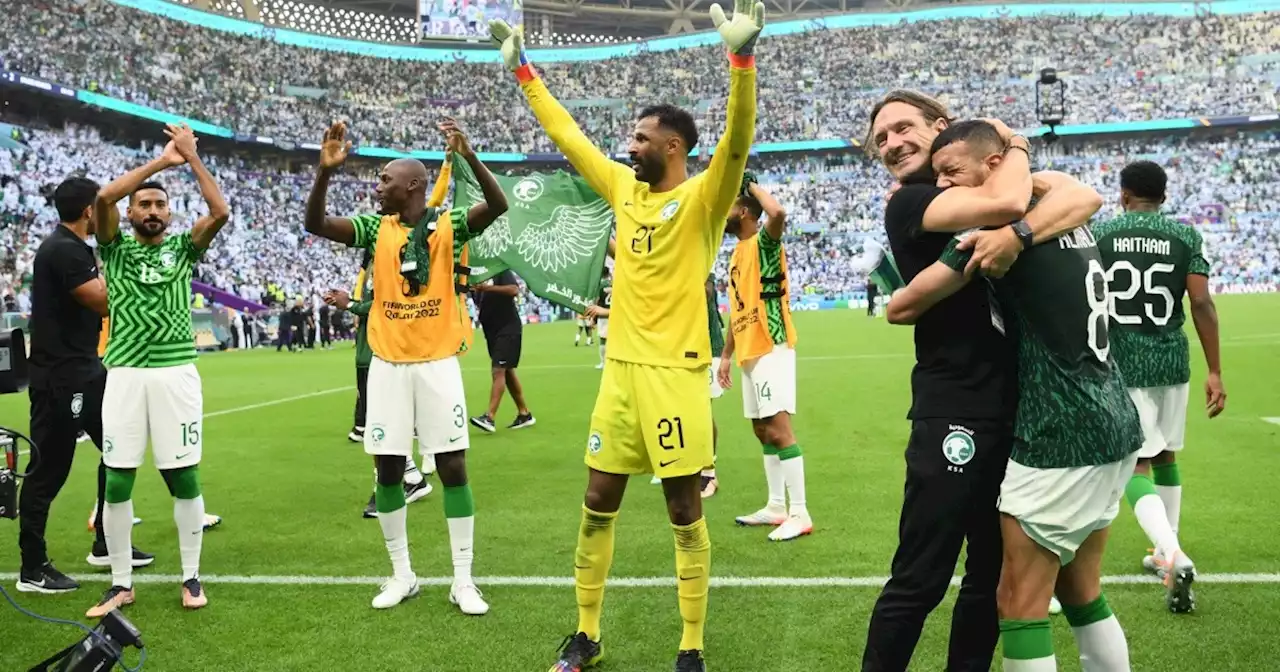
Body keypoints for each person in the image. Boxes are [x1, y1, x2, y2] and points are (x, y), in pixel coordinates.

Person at [490, 3, 761, 668]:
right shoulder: (622, 190)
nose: (627, 146)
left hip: (676, 374)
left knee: (682, 505)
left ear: (673, 147)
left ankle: (691, 645)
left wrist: (741, 64)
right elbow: (568, 136)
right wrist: (523, 70)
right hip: (620, 373)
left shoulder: (702, 198)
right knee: (597, 498)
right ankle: (587, 633)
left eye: (641, 138)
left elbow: (737, 142)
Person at [886, 119, 1138, 671]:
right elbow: (1087, 194)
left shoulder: (991, 235)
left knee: (1018, 604)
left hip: (1059, 429)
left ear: (995, 166)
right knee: (1082, 593)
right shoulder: (1058, 201)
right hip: (1116, 417)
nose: (945, 186)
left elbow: (900, 307)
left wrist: (1006, 231)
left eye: (952, 172)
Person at [305, 118, 506, 613]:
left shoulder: (448, 224)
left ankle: (463, 580)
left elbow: (499, 206)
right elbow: (316, 225)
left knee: (454, 466)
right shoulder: (375, 229)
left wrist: (469, 156)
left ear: (413, 185)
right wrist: (324, 174)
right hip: (388, 366)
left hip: (438, 364)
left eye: (385, 179)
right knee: (388, 470)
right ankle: (402, 575)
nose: (378, 187)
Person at [86, 123, 230, 618]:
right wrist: (161, 164)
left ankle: (190, 576)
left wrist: (191, 158)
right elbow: (103, 196)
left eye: (159, 205)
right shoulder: (114, 248)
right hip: (124, 374)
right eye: (143, 205)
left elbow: (220, 211)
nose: (151, 211)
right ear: (130, 214)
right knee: (118, 481)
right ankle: (121, 583)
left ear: (170, 214)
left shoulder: (184, 249)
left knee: (184, 476)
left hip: (176, 375)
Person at [1093, 160, 1226, 613]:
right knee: (1166, 453)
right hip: (1172, 357)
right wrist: (1215, 371)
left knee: (1133, 465)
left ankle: (1170, 552)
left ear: (1124, 194)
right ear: (1164, 198)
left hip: (1123, 361)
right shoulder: (1185, 236)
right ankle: (1164, 549)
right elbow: (1201, 302)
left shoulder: (1103, 234)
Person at [17, 177, 154, 596]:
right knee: (49, 471)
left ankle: (106, 542)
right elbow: (103, 300)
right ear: (89, 211)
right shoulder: (62, 249)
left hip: (86, 371)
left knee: (119, 448)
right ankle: (32, 567)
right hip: (60, 378)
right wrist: (144, 274)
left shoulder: (75, 247)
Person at [717, 178, 811, 541]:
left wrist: (752, 186)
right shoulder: (737, 253)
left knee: (778, 428)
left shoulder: (764, 243)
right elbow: (737, 307)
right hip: (748, 351)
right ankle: (776, 505)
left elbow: (778, 212)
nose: (724, 214)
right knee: (761, 429)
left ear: (743, 212)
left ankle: (800, 512)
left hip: (771, 344)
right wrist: (727, 355)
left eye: (730, 207)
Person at [323, 255, 434, 519]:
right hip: (366, 358)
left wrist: (349, 303)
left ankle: (383, 489)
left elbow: (386, 305)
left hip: (381, 358)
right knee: (379, 426)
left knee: (379, 429)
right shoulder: (376, 276)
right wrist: (349, 301)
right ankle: (412, 478)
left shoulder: (396, 276)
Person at [469, 269, 536, 432]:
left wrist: (487, 288)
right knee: (507, 371)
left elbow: (513, 289)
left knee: (498, 370)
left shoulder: (499, 269)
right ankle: (524, 414)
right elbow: (481, 302)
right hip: (492, 329)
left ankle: (489, 417)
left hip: (508, 327)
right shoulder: (475, 276)